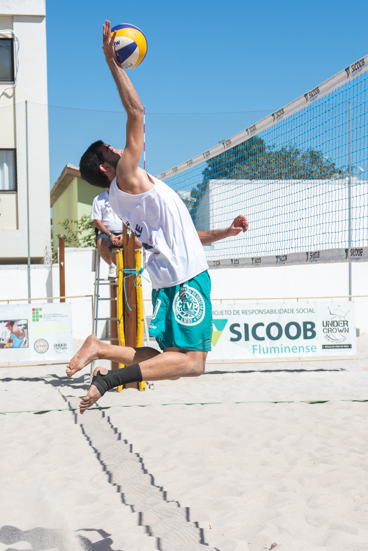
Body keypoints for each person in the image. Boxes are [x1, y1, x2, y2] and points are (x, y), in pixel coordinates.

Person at [69, 20, 249, 414]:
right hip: (184, 277)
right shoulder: (128, 176)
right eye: (110, 150)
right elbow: (137, 110)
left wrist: (225, 232)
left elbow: (182, 235)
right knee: (194, 363)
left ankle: (101, 348)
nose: (118, 149)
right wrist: (112, 63)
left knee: (168, 356)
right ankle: (109, 377)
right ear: (104, 167)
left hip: (168, 275)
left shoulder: (120, 199)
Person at [91, 188, 124, 278]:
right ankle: (112, 266)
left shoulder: (126, 197)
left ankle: (132, 267)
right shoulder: (98, 199)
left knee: (137, 242)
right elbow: (97, 221)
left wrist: (125, 234)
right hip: (106, 234)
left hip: (126, 232)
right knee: (101, 243)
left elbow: (133, 219)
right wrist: (110, 235)